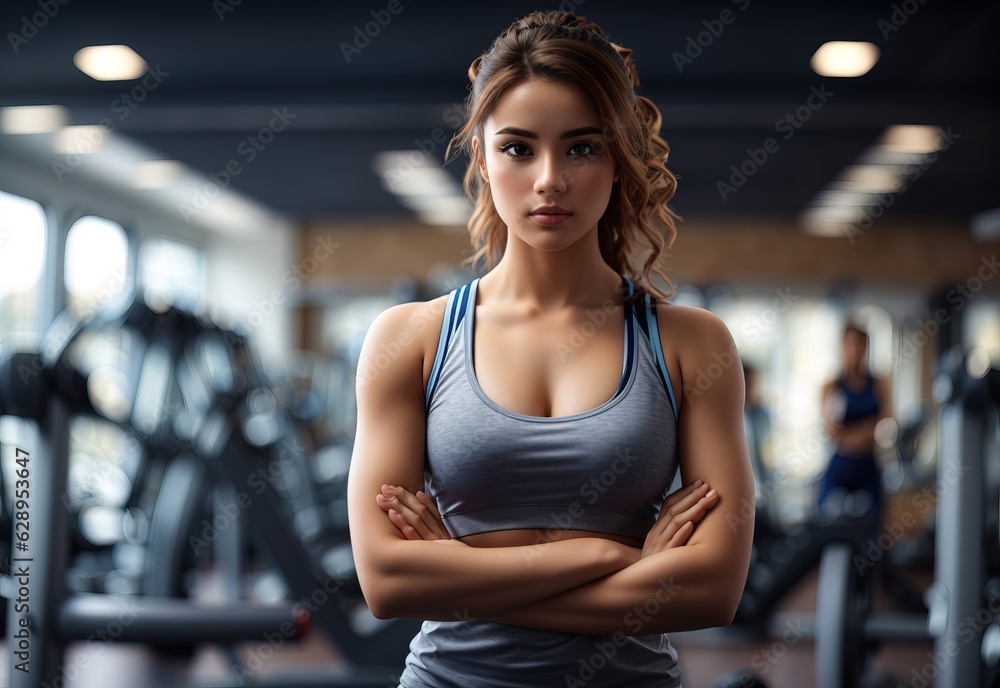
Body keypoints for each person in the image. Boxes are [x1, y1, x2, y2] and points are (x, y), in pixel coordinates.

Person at [346, 10, 754, 687]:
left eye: (582, 147)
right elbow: (387, 581)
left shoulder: (692, 344)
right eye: (517, 148)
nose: (549, 180)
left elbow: (712, 588)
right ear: (481, 156)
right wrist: (608, 556)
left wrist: (461, 572)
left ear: (619, 157)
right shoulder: (409, 339)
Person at [817, 321, 893, 536]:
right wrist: (866, 431)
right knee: (830, 529)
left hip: (868, 466)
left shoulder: (879, 382)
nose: (855, 350)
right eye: (850, 344)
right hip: (840, 468)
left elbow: (886, 424)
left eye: (860, 344)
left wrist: (851, 434)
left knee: (873, 532)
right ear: (842, 346)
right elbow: (831, 431)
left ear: (866, 347)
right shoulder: (831, 386)